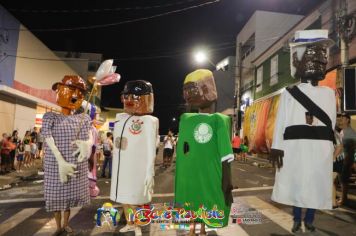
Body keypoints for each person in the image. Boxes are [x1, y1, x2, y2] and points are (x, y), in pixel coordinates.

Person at [269, 30, 336, 233]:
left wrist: (330, 145)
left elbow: (331, 123)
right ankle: (297, 218)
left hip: (319, 145)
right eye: (311, 54)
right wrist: (276, 147)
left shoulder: (329, 93)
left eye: (320, 55)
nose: (318, 59)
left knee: (316, 182)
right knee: (297, 180)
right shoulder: (290, 92)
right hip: (295, 145)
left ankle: (310, 219)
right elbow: (281, 121)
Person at [175, 69, 233, 235]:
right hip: (189, 176)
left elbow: (226, 155)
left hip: (210, 174)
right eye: (185, 91)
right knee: (192, 202)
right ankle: (194, 230)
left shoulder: (219, 120)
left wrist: (227, 183)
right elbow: (183, 151)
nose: (188, 95)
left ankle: (202, 230)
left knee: (205, 202)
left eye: (192, 89)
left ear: (208, 89)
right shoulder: (186, 120)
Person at [42, 75, 92, 235]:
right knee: (56, 199)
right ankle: (58, 227)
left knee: (68, 200)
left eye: (80, 93)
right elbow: (47, 137)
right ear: (59, 90)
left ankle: (66, 224)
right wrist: (60, 160)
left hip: (73, 164)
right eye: (71, 89)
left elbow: (90, 136)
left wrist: (88, 144)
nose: (76, 95)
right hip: (55, 165)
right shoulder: (50, 117)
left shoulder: (82, 118)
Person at [110, 80, 159, 236]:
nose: (130, 100)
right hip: (121, 166)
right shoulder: (121, 118)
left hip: (137, 166)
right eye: (127, 96)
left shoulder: (148, 121)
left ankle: (137, 224)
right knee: (124, 197)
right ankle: (130, 223)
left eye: (136, 96)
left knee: (137, 198)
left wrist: (149, 171)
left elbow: (152, 147)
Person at [338, 112, 356, 206]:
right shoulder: (342, 131)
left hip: (347, 159)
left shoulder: (350, 131)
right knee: (342, 179)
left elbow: (352, 147)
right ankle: (343, 198)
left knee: (344, 179)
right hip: (343, 158)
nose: (341, 119)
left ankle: (344, 199)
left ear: (348, 120)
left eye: (343, 118)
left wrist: (352, 160)